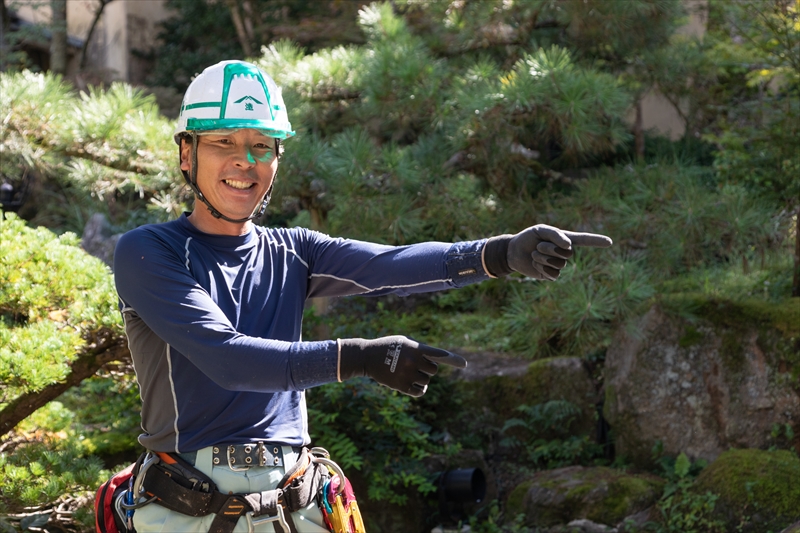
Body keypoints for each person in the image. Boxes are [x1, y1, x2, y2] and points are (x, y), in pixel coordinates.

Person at [112, 60, 612, 533]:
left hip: (296, 504)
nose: (245, 161)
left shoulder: (293, 250)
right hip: (187, 510)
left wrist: (500, 254)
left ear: (277, 159)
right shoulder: (150, 252)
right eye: (224, 142)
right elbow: (227, 359)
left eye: (262, 145)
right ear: (186, 153)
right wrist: (361, 356)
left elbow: (388, 265)